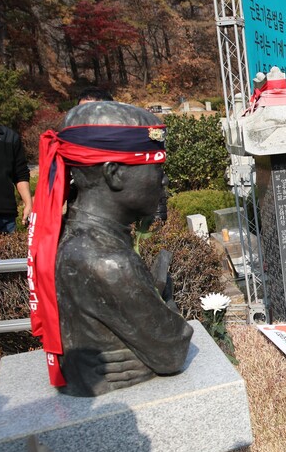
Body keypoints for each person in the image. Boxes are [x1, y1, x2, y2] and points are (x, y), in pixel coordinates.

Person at [27, 101, 192, 396]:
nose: (164, 180)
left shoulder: (70, 234)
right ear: (114, 173)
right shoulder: (109, 261)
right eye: (156, 167)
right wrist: (165, 303)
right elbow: (173, 350)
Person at [0, 101, 32, 234]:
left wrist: (28, 203)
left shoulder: (9, 136)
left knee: (10, 255)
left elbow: (20, 174)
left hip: (6, 217)